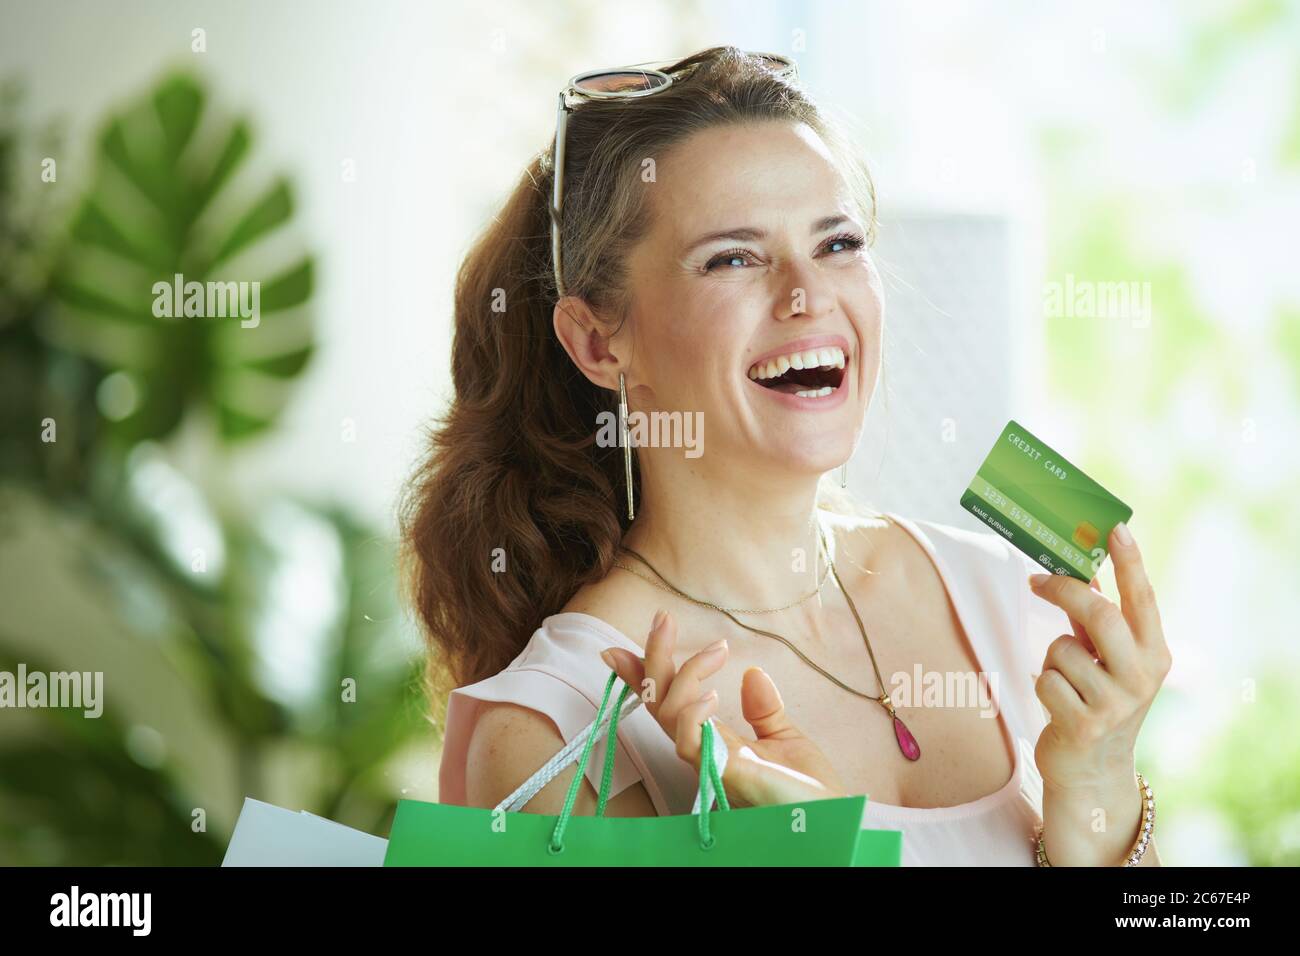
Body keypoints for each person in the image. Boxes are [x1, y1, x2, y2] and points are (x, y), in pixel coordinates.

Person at [400, 46, 1171, 866]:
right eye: (732, 257)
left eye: (838, 243)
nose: (808, 295)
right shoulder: (553, 733)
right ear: (598, 340)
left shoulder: (1010, 600)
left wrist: (1099, 797)